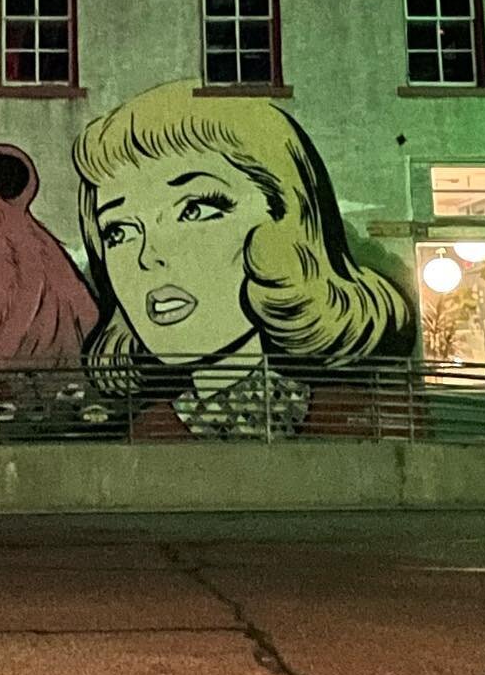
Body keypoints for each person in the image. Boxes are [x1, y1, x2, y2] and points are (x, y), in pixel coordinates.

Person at [72, 80, 415, 436]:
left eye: (194, 209)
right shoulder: (150, 434)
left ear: (284, 220)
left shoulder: (351, 418)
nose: (148, 257)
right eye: (118, 232)